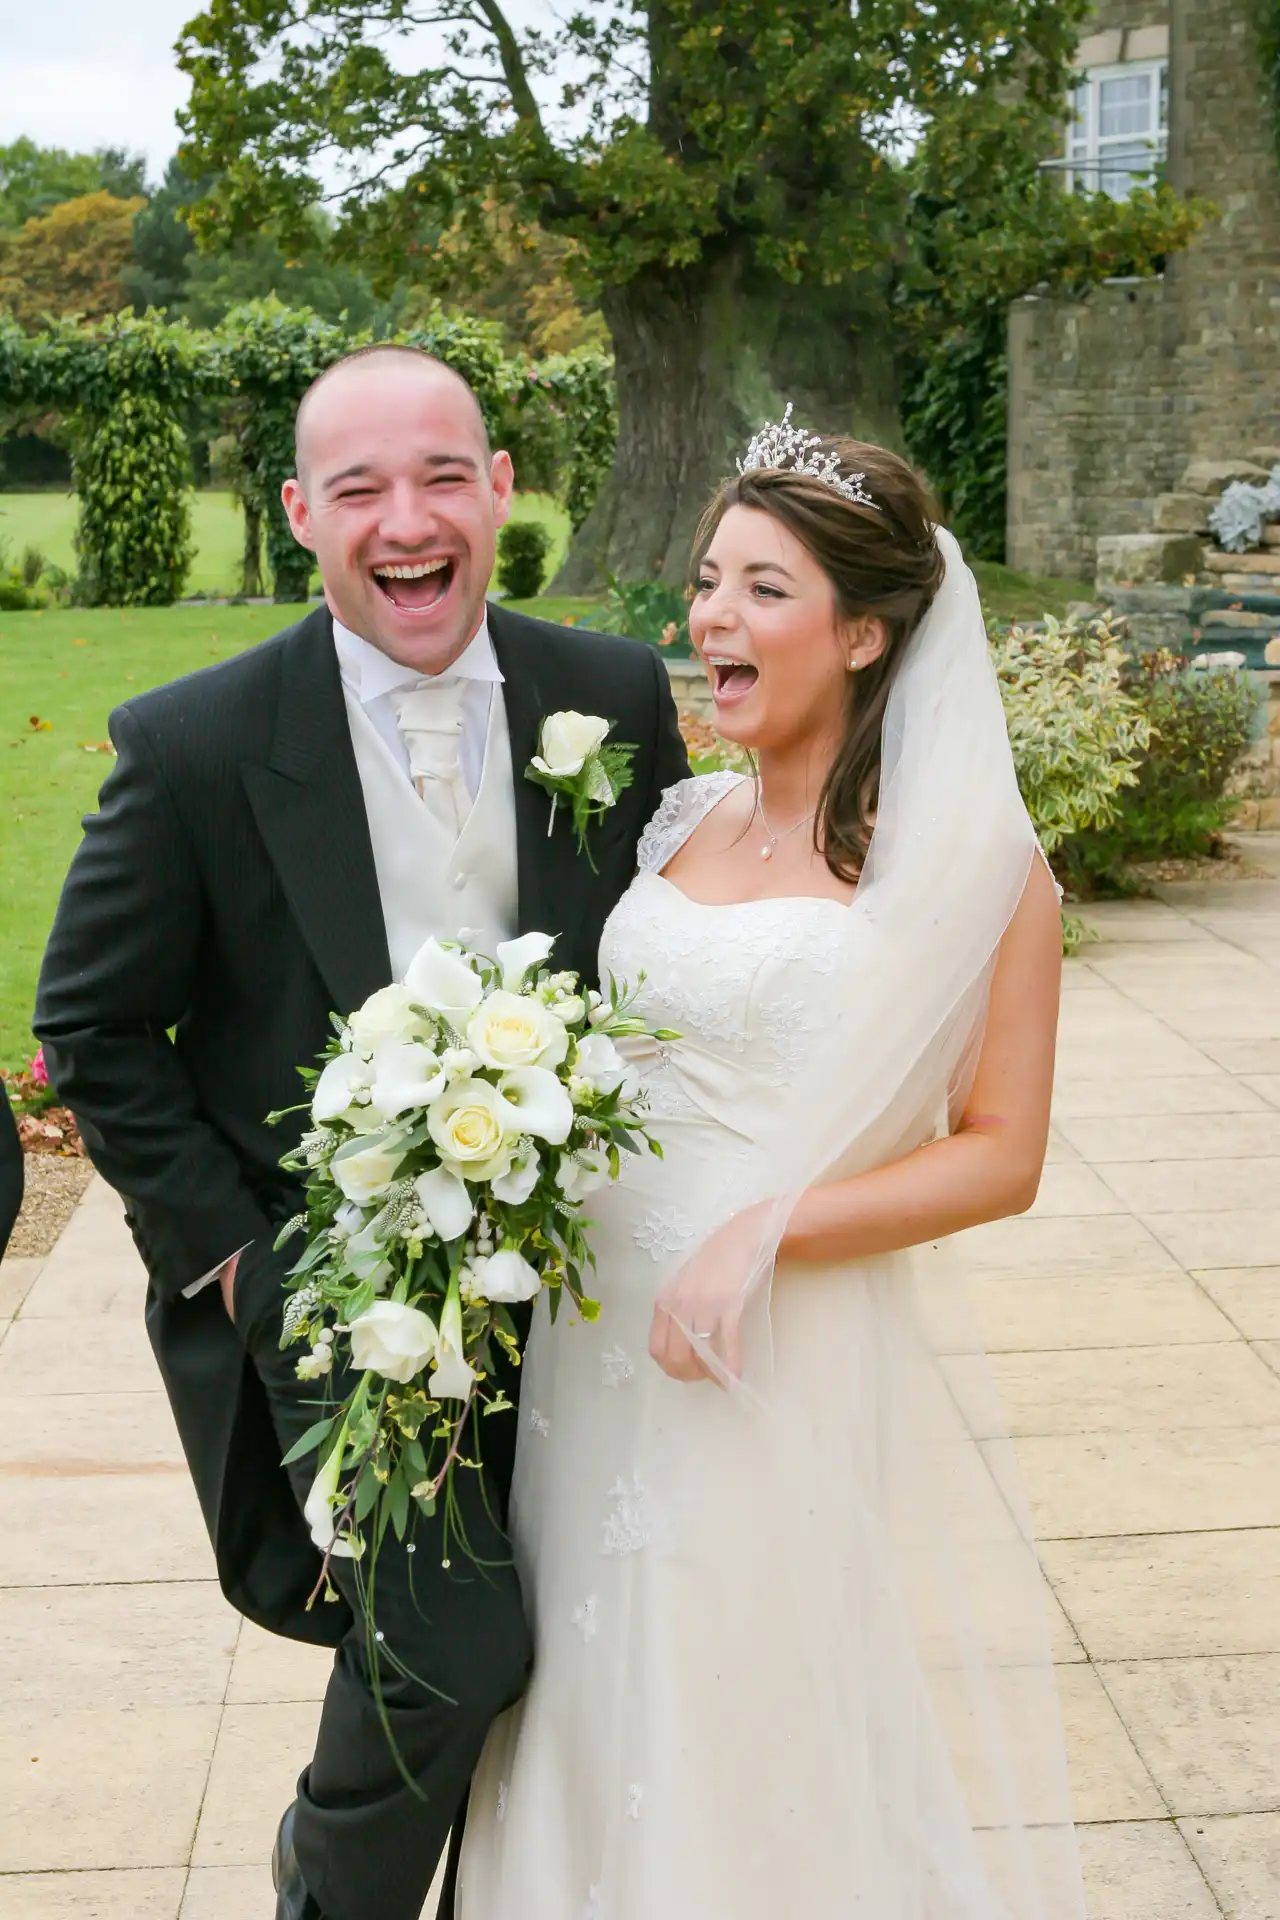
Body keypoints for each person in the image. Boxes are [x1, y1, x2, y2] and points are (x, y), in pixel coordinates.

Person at [33, 343, 689, 1920]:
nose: (409, 520)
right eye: (361, 489)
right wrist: (239, 1266)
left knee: (587, 1647)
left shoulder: (609, 695)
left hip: (589, 1290)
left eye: (444, 476)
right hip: (345, 1308)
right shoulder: (193, 745)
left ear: (501, 490)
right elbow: (94, 1030)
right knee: (453, 1648)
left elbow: (673, 958)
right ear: (299, 515)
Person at [456, 423, 1086, 1918]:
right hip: (593, 1331)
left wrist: (770, 1230)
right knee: (591, 1678)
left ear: (865, 634)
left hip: (769, 1335)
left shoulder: (979, 868)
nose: (711, 619)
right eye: (706, 582)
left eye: (763, 589)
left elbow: (1003, 1155)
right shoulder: (684, 815)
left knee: (736, 1683)